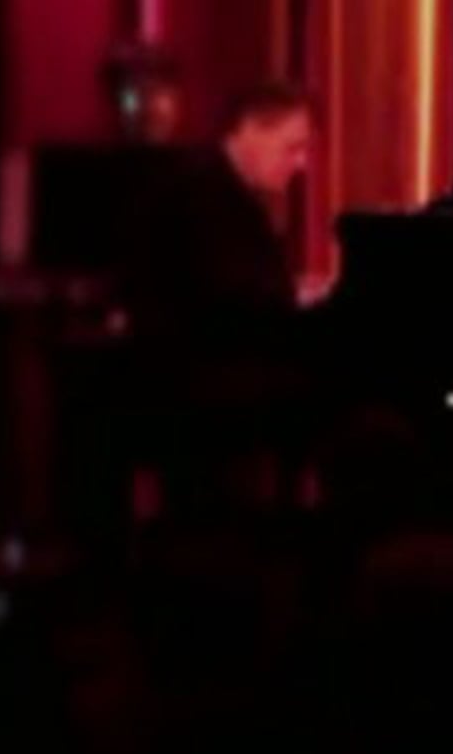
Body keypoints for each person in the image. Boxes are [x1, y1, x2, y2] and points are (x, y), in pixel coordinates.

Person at [118, 80, 318, 508]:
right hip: (199, 378)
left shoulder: (223, 187)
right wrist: (298, 299)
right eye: (292, 147)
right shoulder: (203, 191)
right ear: (250, 130)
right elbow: (231, 299)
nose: (301, 164)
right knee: (327, 394)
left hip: (208, 364)